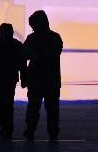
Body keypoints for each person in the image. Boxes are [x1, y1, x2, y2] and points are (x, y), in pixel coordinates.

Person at [22, 10, 63, 141]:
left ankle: (31, 130)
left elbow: (25, 54)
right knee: (52, 109)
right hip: (51, 80)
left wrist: (36, 54)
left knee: (34, 108)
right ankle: (52, 132)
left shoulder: (32, 38)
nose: (33, 28)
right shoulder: (55, 37)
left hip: (37, 80)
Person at [0, 23, 25, 139]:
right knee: (5, 104)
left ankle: (6, 127)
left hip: (1, 77)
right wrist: (24, 78)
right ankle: (7, 127)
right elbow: (22, 63)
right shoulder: (16, 44)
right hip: (9, 77)